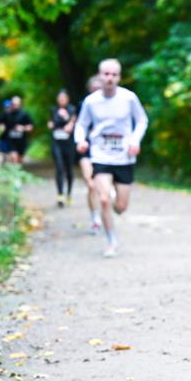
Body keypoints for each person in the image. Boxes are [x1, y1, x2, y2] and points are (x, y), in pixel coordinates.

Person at [74, 59, 149, 258]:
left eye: (114, 75)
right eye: (106, 74)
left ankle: (117, 201)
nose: (109, 78)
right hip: (100, 155)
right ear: (100, 76)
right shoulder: (91, 101)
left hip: (124, 158)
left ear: (119, 77)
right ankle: (111, 241)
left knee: (121, 208)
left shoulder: (129, 98)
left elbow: (142, 120)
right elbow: (81, 125)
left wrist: (135, 140)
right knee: (104, 199)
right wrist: (80, 140)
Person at [78, 75, 103, 233]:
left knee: (102, 185)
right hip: (86, 148)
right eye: (93, 89)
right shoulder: (84, 105)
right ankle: (95, 218)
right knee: (90, 183)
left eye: (98, 89)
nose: (95, 92)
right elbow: (79, 124)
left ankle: (105, 206)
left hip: (104, 150)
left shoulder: (110, 105)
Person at [48, 90, 77, 207]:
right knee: (59, 168)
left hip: (69, 144)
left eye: (63, 98)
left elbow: (73, 125)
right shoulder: (53, 110)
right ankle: (60, 195)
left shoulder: (72, 110)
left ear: (67, 99)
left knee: (69, 169)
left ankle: (69, 194)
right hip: (56, 143)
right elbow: (51, 124)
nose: (61, 100)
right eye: (59, 98)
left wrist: (67, 119)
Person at [1, 96, 34, 166]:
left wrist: (23, 128)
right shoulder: (7, 114)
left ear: (20, 104)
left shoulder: (24, 114)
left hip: (22, 141)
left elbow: (31, 127)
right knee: (14, 158)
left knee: (19, 160)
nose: (15, 106)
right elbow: (0, 122)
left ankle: (17, 173)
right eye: (13, 104)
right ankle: (14, 173)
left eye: (16, 104)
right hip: (10, 140)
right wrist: (2, 126)